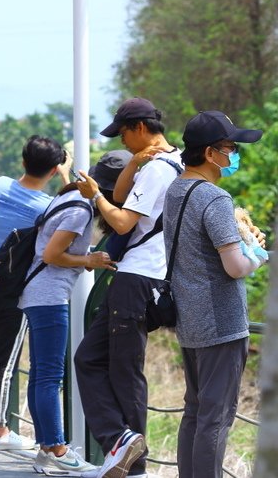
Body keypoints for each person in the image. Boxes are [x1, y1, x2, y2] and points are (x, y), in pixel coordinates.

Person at [74, 97, 182, 478]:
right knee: (92, 359)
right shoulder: (171, 162)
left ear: (139, 127)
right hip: (147, 277)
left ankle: (131, 460)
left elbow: (120, 221)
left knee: (123, 368)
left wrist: (94, 196)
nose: (122, 143)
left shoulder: (159, 171)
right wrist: (133, 163)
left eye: (123, 135)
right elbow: (123, 197)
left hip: (137, 277)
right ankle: (121, 448)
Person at [164, 111, 266, 478]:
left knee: (195, 413)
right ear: (210, 153)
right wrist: (258, 252)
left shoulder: (176, 190)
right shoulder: (215, 198)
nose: (235, 154)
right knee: (216, 418)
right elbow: (236, 267)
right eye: (231, 148)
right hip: (221, 322)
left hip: (189, 321)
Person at [20, 157, 117, 476]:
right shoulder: (81, 209)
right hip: (49, 296)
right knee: (49, 375)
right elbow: (51, 255)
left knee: (40, 374)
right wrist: (90, 258)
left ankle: (47, 449)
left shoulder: (68, 196)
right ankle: (59, 449)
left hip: (37, 294)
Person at [0, 136, 68, 450]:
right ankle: (0, 431)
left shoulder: (0, 186)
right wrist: (67, 175)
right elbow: (69, 207)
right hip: (13, 290)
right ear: (53, 170)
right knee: (6, 360)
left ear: (23, 161)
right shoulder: (46, 207)